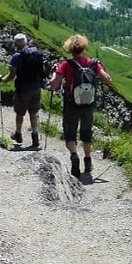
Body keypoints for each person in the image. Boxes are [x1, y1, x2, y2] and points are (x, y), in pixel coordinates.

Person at [45, 34, 113, 179]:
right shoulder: (93, 63)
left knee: (70, 133)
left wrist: (52, 74)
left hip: (71, 104)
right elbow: (107, 80)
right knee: (86, 132)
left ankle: (74, 155)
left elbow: (54, 85)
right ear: (84, 47)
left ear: (69, 49)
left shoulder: (65, 65)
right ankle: (88, 160)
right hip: (88, 105)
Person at [0, 33, 44, 148]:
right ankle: (35, 136)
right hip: (37, 87)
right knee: (33, 112)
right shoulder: (36, 52)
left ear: (16, 44)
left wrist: (1, 80)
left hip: (23, 89)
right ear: (26, 42)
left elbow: (11, 76)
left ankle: (18, 134)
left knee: (20, 113)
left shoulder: (17, 57)